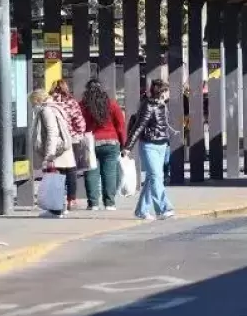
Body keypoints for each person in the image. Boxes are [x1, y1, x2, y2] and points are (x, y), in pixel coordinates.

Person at [125, 79, 174, 220]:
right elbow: (138, 126)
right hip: (149, 145)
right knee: (155, 177)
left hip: (162, 145)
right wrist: (128, 147)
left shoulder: (163, 105)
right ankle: (163, 209)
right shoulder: (148, 106)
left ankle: (141, 210)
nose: (169, 93)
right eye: (167, 90)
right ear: (163, 92)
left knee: (152, 178)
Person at [80, 79, 126, 211]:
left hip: (90, 141)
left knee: (91, 172)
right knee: (110, 172)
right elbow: (121, 126)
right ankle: (109, 203)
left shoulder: (83, 106)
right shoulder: (112, 105)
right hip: (111, 142)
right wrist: (123, 144)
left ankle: (93, 203)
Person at [30, 89, 75, 217]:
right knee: (60, 180)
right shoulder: (57, 107)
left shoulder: (46, 110)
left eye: (33, 103)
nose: (33, 106)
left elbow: (52, 132)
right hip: (63, 148)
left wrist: (49, 155)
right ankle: (60, 207)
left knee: (54, 180)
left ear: (38, 100)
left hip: (55, 150)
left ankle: (55, 210)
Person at [50, 80, 86, 210]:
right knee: (70, 169)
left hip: (53, 140)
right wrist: (77, 134)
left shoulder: (50, 103)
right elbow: (79, 121)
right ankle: (71, 199)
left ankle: (58, 198)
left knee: (57, 169)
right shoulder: (71, 102)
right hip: (68, 139)